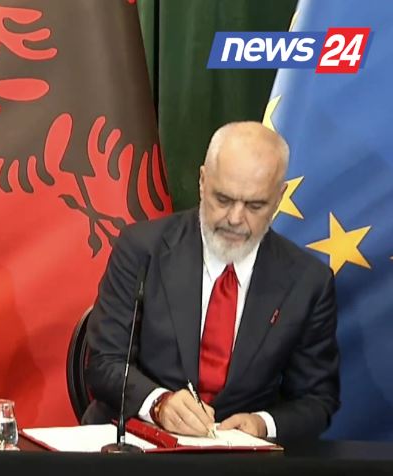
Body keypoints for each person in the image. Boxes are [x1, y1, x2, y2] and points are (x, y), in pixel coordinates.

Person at [83, 121, 339, 443]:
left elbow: (317, 399)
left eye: (255, 205)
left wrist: (263, 424)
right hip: (137, 446)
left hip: (239, 457)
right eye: (223, 199)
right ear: (203, 182)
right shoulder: (142, 250)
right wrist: (158, 403)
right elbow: (104, 362)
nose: (235, 218)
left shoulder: (308, 282)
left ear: (279, 197)